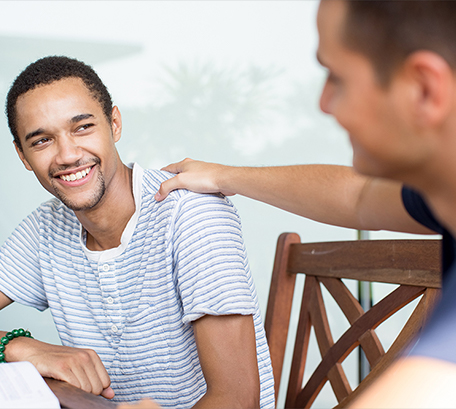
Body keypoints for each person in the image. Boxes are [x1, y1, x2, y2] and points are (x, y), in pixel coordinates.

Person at [155, 0, 456, 407]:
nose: (323, 102)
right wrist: (226, 176)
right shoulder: (441, 193)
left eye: (336, 77)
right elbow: (357, 197)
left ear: (423, 88)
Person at [0, 56, 275, 408]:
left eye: (83, 127)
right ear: (22, 155)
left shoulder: (189, 213)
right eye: (41, 141)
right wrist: (19, 346)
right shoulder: (44, 230)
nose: (67, 155)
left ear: (114, 124)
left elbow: (238, 401)